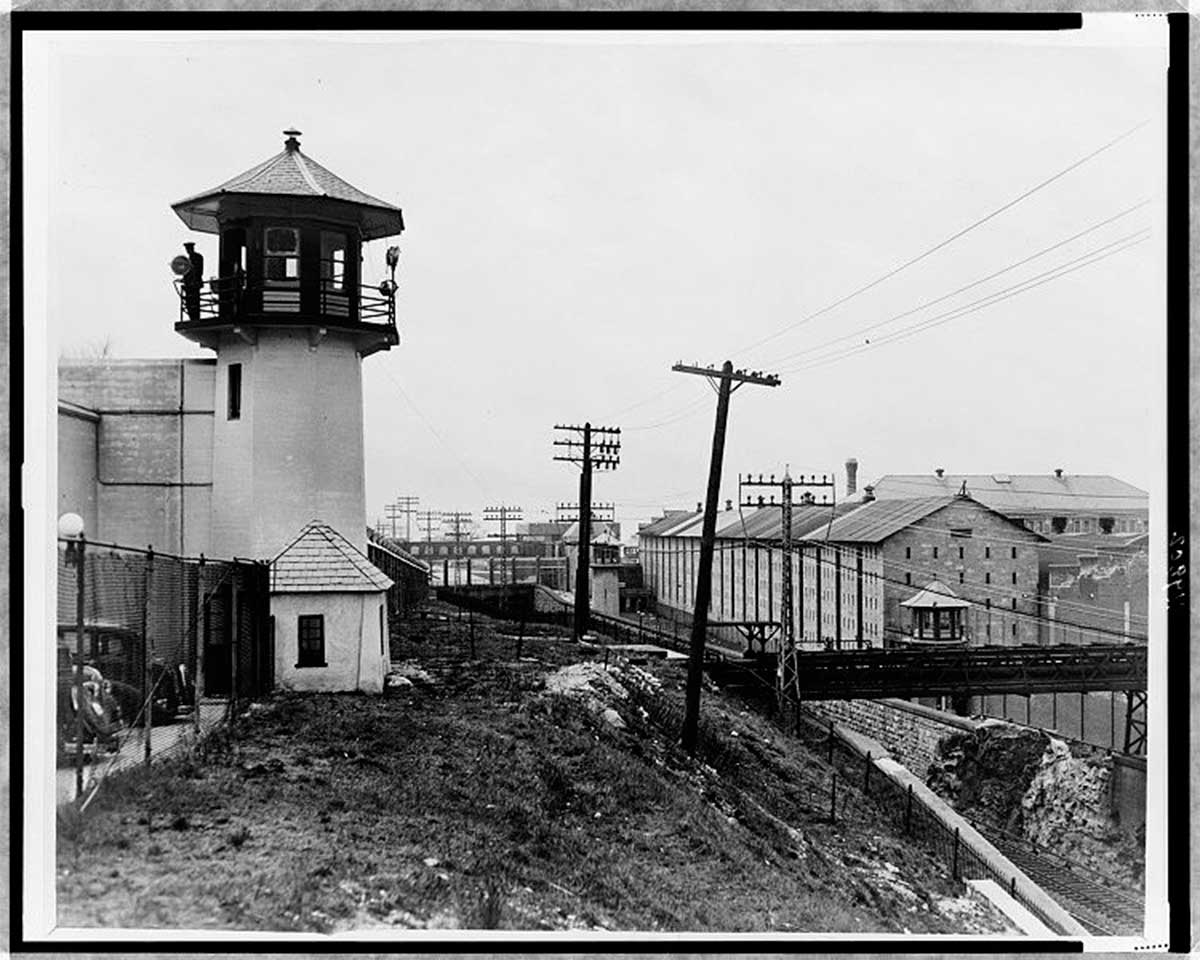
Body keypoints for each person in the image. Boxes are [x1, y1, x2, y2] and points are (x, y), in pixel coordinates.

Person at [182, 242, 204, 322]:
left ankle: (195, 318)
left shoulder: (197, 257)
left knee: (194, 302)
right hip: (189, 285)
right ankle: (193, 318)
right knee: (189, 303)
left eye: (188, 249)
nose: (188, 250)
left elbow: (198, 271)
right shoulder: (189, 259)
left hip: (194, 284)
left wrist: (193, 280)